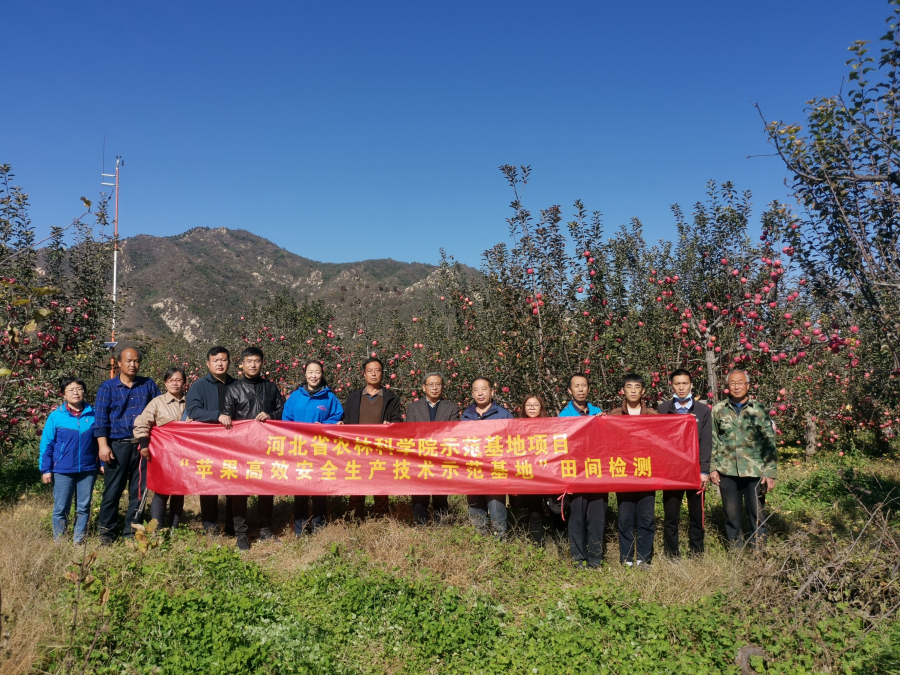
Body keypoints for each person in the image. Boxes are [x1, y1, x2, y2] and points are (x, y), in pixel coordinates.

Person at [94, 348, 161, 545]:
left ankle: (132, 533)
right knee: (112, 491)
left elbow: (159, 411)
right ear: (119, 363)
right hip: (117, 446)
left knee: (139, 492)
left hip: (143, 446)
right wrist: (103, 446)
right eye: (129, 361)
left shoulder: (148, 385)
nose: (133, 364)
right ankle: (106, 534)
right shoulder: (107, 387)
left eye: (136, 361)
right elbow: (101, 420)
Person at [223, 347, 285, 551]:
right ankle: (241, 534)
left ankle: (265, 529)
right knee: (239, 491)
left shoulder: (271, 388)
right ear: (242, 364)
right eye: (249, 361)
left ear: (262, 363)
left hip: (266, 447)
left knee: (266, 489)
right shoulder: (233, 389)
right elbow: (227, 417)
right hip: (241, 448)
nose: (253, 364)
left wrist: (271, 416)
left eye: (256, 361)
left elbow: (283, 411)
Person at [710, 369, 777, 547]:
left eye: (740, 383)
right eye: (732, 383)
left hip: (754, 471)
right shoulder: (718, 410)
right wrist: (713, 468)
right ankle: (735, 551)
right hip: (727, 471)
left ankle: (759, 551)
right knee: (731, 515)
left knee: (757, 514)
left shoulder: (759, 409)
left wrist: (770, 472)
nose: (736, 387)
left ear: (747, 385)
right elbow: (713, 440)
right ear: (727, 386)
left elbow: (769, 442)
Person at [283, 360, 343, 535]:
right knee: (300, 488)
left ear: (322, 374)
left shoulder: (329, 397)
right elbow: (286, 419)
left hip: (320, 450)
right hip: (299, 449)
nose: (314, 376)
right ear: (305, 374)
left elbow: (337, 417)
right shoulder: (295, 396)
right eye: (310, 372)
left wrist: (323, 425)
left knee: (319, 488)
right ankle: (300, 529)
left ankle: (319, 527)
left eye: (317, 372)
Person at [39, 377, 100, 544]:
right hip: (63, 469)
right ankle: (60, 542)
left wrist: (101, 463)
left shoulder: (94, 414)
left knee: (84, 507)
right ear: (64, 394)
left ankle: (78, 540)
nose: (76, 392)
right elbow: (47, 444)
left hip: (88, 468)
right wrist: (46, 469)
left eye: (79, 389)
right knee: (61, 507)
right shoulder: (56, 416)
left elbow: (102, 441)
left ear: (84, 392)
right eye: (71, 390)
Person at [658, 368, 711, 557]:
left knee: (696, 514)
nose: (681, 388)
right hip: (672, 471)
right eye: (677, 384)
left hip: (695, 470)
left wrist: (704, 471)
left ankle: (696, 551)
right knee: (671, 514)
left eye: (685, 383)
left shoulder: (702, 410)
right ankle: (671, 553)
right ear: (671, 385)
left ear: (691, 385)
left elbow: (706, 442)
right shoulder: (663, 409)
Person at [342, 357, 403, 520]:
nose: (374, 374)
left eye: (377, 370)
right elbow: (346, 420)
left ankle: (381, 520)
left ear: (382, 374)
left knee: (381, 487)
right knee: (356, 487)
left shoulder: (391, 398)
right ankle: (355, 520)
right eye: (370, 371)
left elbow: (397, 421)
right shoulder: (353, 397)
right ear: (364, 374)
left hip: (380, 450)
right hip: (357, 449)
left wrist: (391, 425)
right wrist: (342, 424)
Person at [608, 373, 658, 567]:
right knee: (626, 518)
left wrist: (686, 421)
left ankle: (643, 558)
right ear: (623, 391)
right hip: (624, 474)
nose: (633, 391)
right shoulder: (614, 415)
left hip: (646, 473)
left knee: (646, 517)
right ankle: (627, 558)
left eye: (637, 387)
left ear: (643, 391)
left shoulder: (653, 415)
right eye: (629, 387)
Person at [185, 346, 236, 534]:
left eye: (223, 360)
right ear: (208, 364)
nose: (220, 363)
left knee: (233, 485)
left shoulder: (237, 385)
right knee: (208, 485)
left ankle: (233, 526)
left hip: (233, 444)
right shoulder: (199, 386)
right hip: (208, 445)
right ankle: (210, 528)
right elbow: (193, 410)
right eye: (216, 360)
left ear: (229, 362)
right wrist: (217, 415)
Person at [559, 373, 606, 568]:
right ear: (570, 390)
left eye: (583, 385)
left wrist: (605, 422)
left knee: (597, 518)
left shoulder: (598, 412)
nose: (580, 389)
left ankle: (596, 558)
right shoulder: (564, 416)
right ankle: (578, 558)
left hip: (597, 473)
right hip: (575, 475)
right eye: (576, 386)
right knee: (577, 518)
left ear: (588, 388)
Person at [134, 367, 187, 529]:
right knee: (161, 491)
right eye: (171, 380)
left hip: (185, 454)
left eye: (178, 380)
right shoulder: (157, 403)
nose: (175, 383)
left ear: (184, 383)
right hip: (163, 455)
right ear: (165, 383)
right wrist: (144, 444)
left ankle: (174, 527)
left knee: (179, 491)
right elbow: (142, 422)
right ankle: (157, 528)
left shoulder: (192, 402)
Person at [405, 372, 460, 525]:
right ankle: (420, 527)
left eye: (438, 384)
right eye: (431, 385)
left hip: (441, 458)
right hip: (420, 457)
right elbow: (410, 432)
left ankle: (442, 527)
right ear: (424, 387)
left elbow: (453, 432)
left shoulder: (451, 407)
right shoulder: (414, 408)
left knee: (440, 496)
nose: (434, 388)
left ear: (442, 387)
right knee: (419, 497)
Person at [461, 377, 513, 538]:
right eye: (476, 390)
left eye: (484, 389)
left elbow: (513, 442)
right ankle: (481, 545)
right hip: (473, 472)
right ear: (472, 393)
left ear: (492, 391)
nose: (480, 393)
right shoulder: (466, 415)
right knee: (476, 512)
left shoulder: (503, 415)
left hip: (495, 472)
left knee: (497, 512)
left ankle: (500, 545)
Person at [516, 393, 550, 545]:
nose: (532, 408)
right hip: (529, 475)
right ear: (523, 408)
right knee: (535, 512)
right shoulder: (517, 426)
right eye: (528, 405)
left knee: (556, 510)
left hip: (548, 474)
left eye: (536, 405)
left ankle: (561, 542)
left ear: (541, 408)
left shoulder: (551, 425)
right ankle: (538, 547)